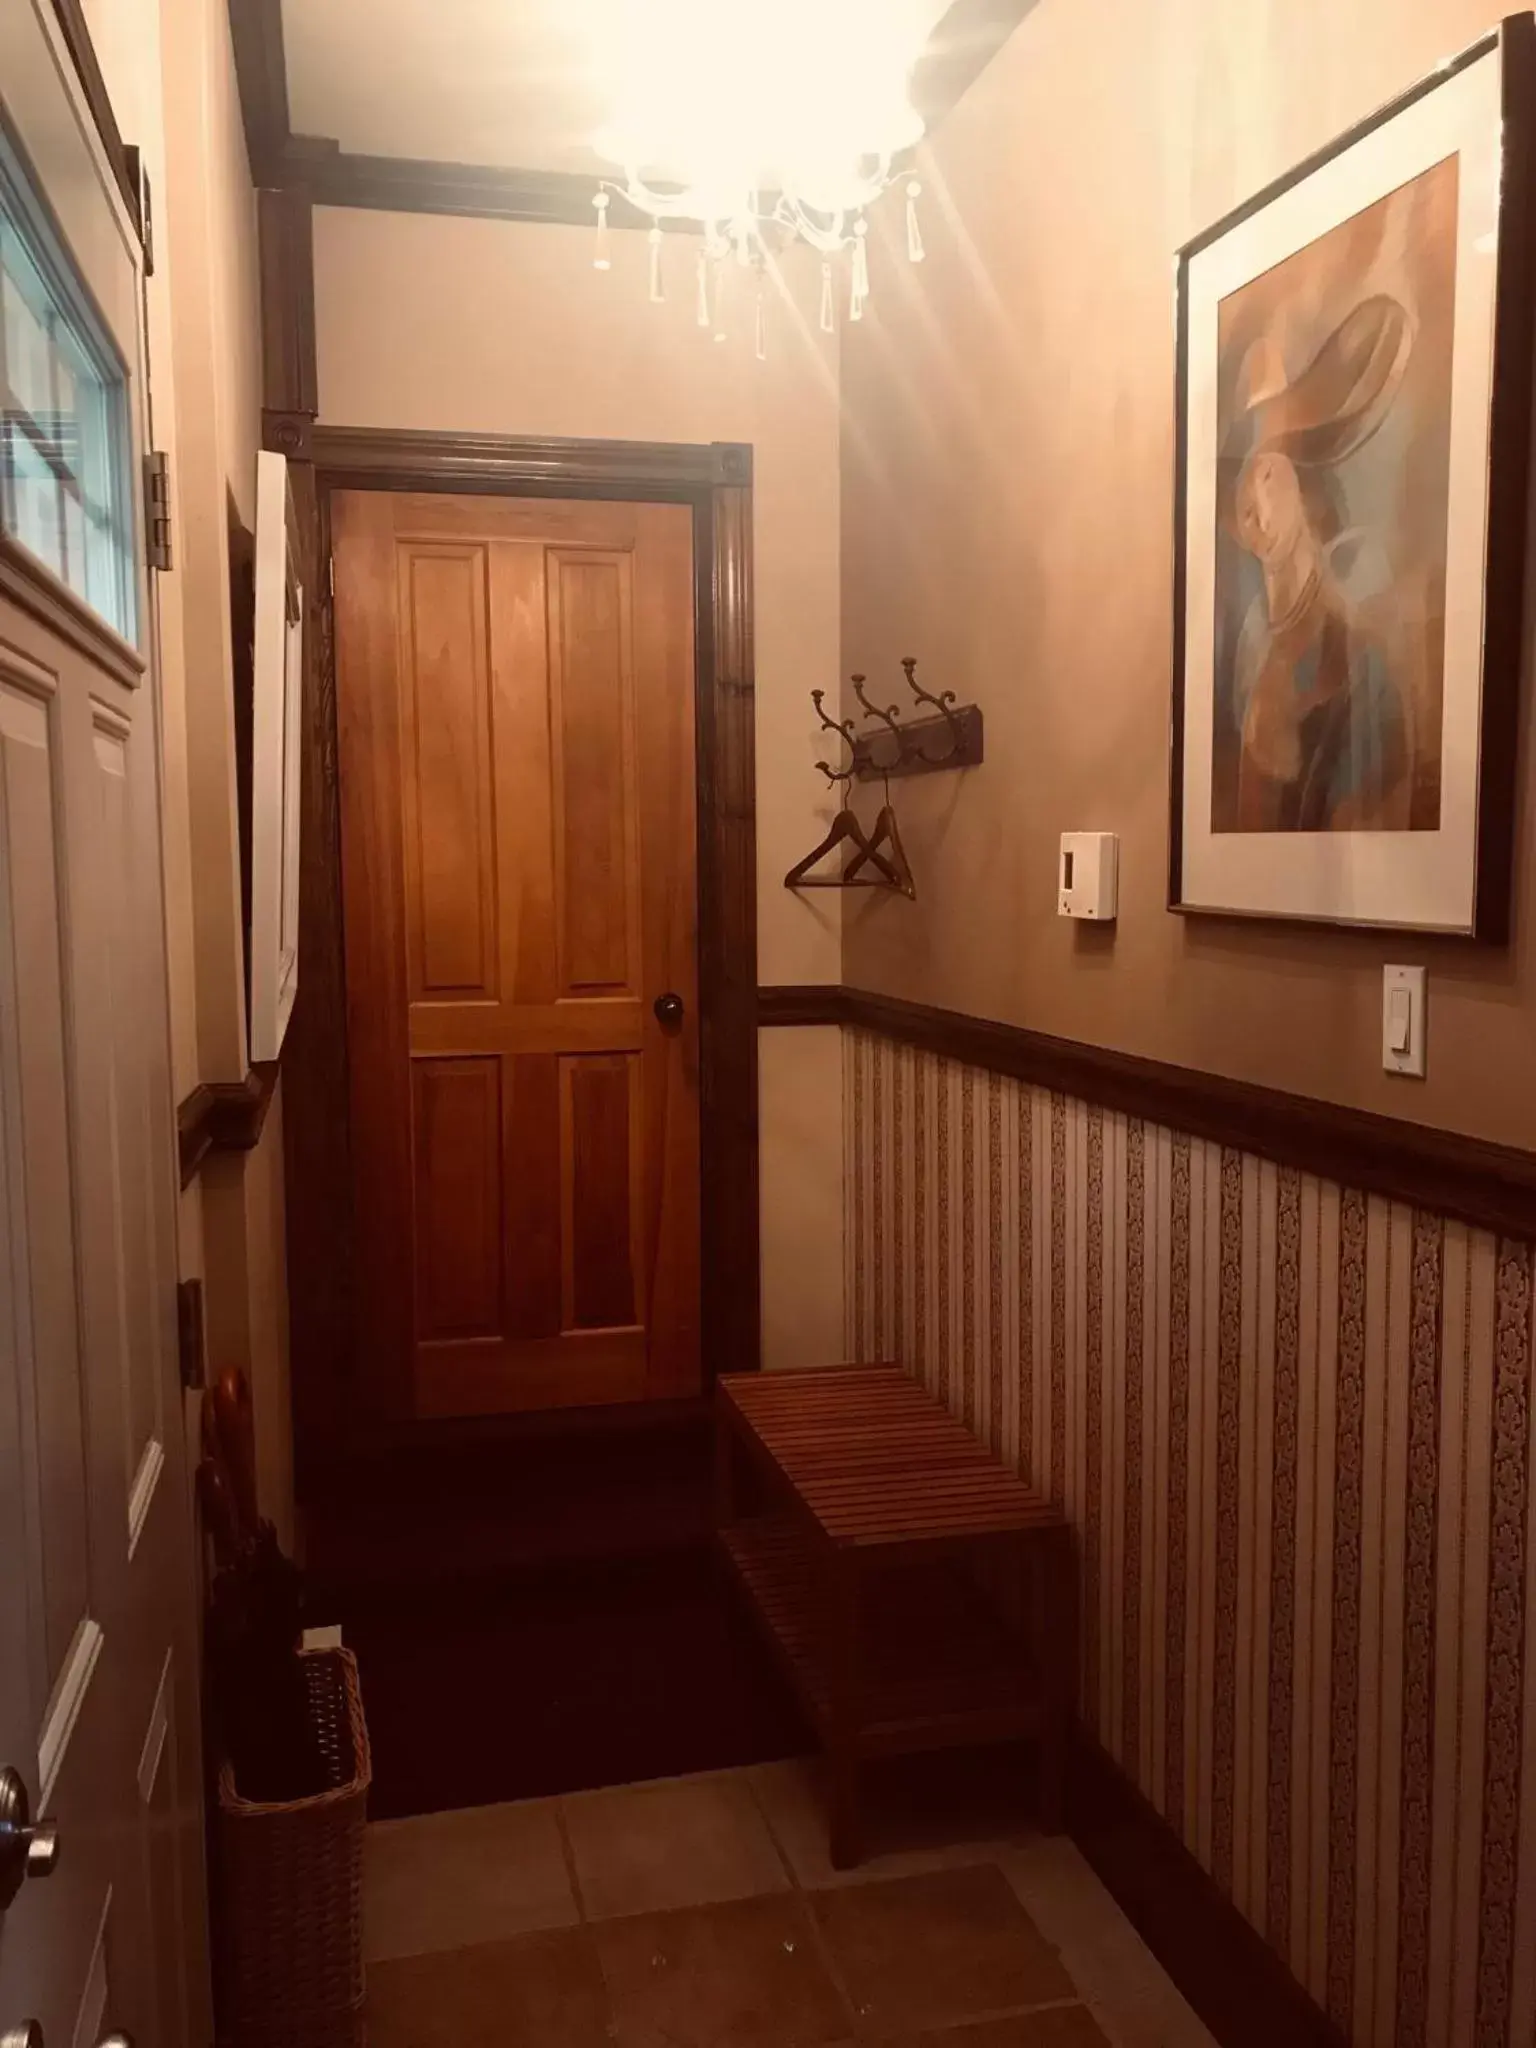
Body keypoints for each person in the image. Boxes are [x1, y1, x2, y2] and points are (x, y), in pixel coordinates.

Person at [1217, 294, 1416, 832]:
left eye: (1268, 473)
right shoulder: (1252, 642)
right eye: (1241, 481)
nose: (1253, 505)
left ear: (1303, 479)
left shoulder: (1359, 661)